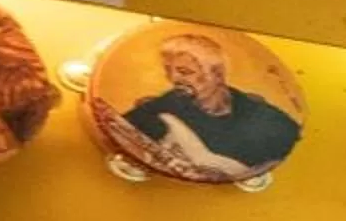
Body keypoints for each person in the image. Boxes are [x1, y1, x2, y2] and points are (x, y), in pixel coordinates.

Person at [123, 32, 301, 174]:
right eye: (169, 71)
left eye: (185, 71)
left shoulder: (260, 115)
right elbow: (121, 131)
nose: (173, 78)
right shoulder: (164, 106)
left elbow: (290, 148)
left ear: (217, 74)